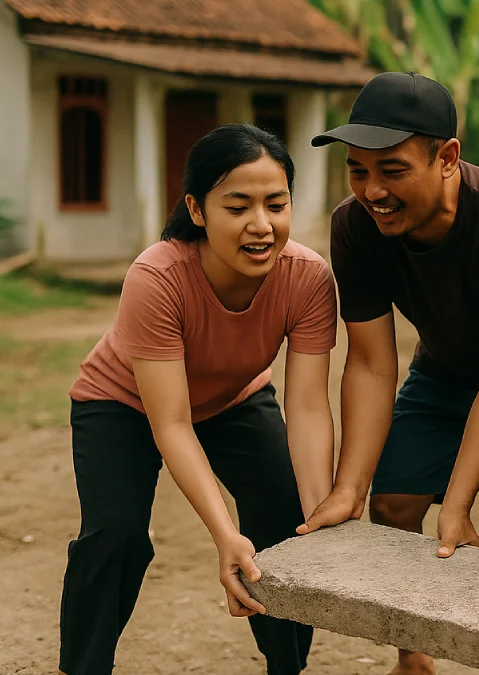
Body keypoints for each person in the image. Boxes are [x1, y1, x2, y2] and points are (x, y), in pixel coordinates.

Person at [298, 72, 479, 675]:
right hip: (443, 374)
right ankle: (414, 658)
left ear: (446, 158)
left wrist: (458, 504)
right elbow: (371, 362)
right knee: (391, 506)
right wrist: (349, 488)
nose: (372, 191)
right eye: (358, 171)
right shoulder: (354, 226)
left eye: (393, 170)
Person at [59, 124, 338, 675]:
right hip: (122, 403)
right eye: (237, 207)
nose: (261, 225)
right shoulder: (158, 276)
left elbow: (308, 406)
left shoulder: (307, 278)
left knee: (288, 520)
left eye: (276, 204)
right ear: (197, 209)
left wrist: (317, 515)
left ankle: (287, 667)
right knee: (116, 536)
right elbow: (172, 423)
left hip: (235, 399)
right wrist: (225, 536)